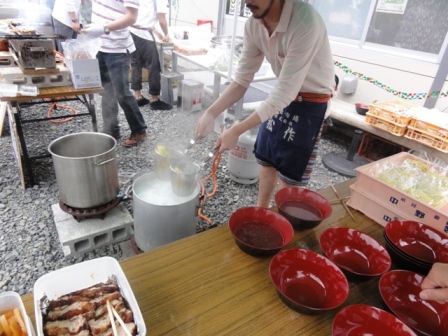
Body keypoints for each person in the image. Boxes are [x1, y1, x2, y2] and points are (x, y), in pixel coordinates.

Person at [195, 0, 335, 207]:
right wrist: (210, 113)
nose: (246, 1)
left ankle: (279, 223)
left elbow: (284, 92)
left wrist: (237, 130)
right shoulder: (253, 24)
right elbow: (242, 79)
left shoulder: (306, 23)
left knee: (289, 175)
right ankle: (261, 212)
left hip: (310, 103)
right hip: (282, 98)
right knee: (266, 159)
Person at [81, 0, 148, 147]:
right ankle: (111, 129)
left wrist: (102, 28)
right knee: (106, 92)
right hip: (99, 46)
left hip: (117, 49)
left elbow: (131, 17)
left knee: (122, 93)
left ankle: (139, 130)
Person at [129, 0, 173, 110]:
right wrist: (167, 34)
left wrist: (158, 33)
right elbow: (162, 21)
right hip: (143, 35)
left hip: (132, 31)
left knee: (136, 64)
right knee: (153, 67)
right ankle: (155, 100)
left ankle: (138, 97)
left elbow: (144, 15)